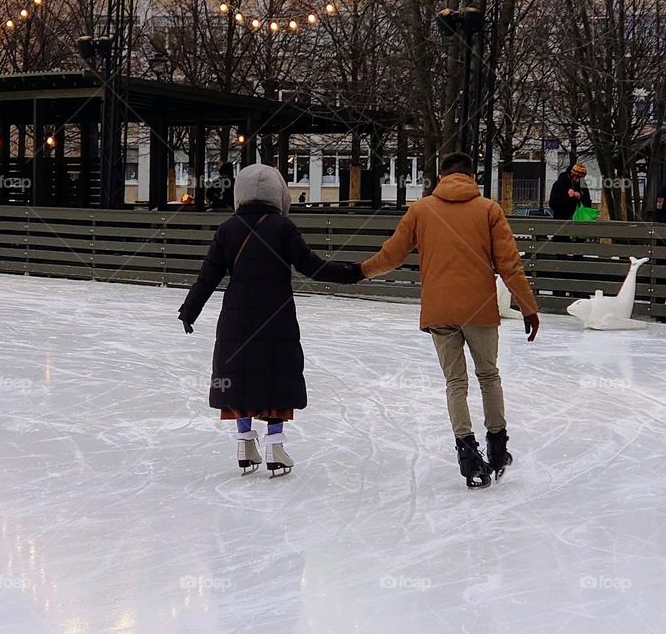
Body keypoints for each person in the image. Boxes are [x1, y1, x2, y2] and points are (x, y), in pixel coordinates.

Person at [360, 152, 540, 489]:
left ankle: (469, 457)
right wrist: (527, 307)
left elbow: (392, 255)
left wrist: (359, 271)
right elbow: (509, 265)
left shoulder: (421, 209)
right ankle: (498, 449)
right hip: (479, 309)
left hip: (439, 311)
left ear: (441, 177)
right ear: (472, 177)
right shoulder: (489, 209)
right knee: (488, 375)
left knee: (455, 382)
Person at [178, 164, 363, 477]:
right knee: (276, 374)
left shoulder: (227, 229)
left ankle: (244, 442)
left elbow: (207, 276)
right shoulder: (282, 227)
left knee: (240, 376)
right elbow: (311, 267)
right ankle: (274, 445)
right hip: (275, 314)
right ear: (279, 193)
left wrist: (189, 310)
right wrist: (353, 273)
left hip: (236, 316)